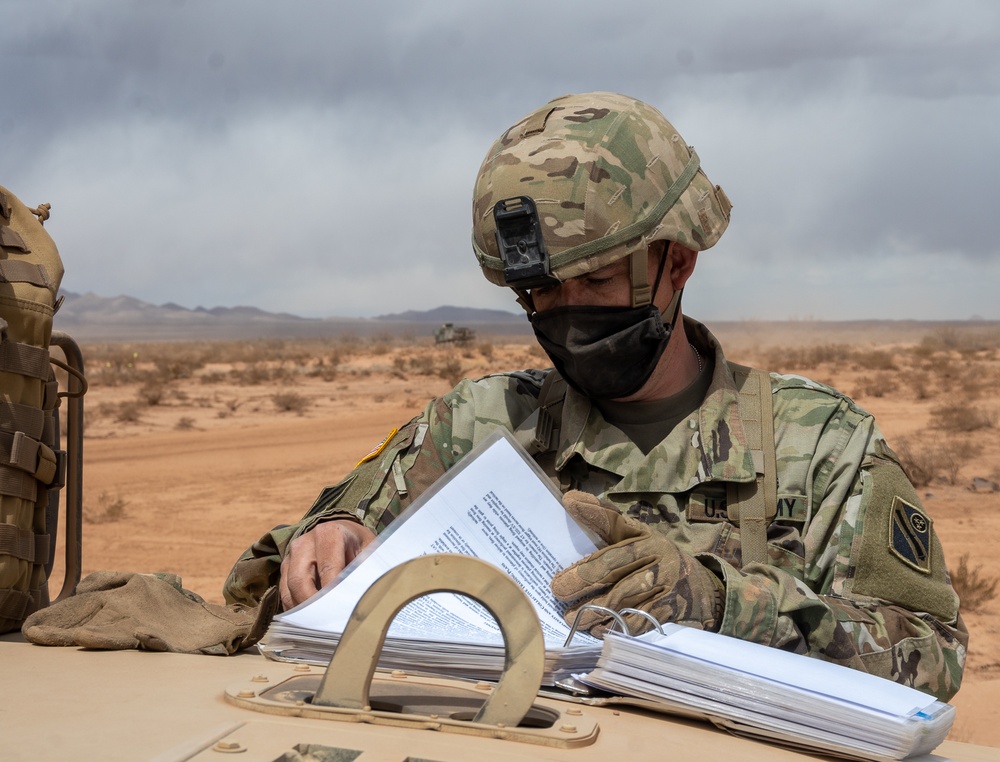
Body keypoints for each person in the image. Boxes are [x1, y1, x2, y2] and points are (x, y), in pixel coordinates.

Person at [224, 92, 967, 701]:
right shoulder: (477, 423)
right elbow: (270, 582)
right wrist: (331, 540)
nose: (569, 313)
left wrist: (718, 604)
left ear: (676, 263)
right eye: (542, 292)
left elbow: (929, 657)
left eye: (599, 282)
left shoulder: (822, 448)